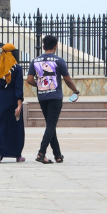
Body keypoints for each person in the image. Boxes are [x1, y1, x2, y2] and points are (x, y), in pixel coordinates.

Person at [26, 34, 79, 163]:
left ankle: (58, 155)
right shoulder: (59, 61)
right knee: (51, 124)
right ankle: (41, 153)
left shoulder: (35, 61)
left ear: (43, 46)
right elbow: (67, 80)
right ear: (55, 46)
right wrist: (76, 91)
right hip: (55, 96)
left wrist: (39, 85)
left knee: (51, 125)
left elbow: (29, 80)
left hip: (42, 96)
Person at [0, 43, 25, 163]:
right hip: (13, 99)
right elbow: (19, 87)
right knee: (14, 126)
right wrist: (19, 105)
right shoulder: (17, 68)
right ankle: (17, 154)